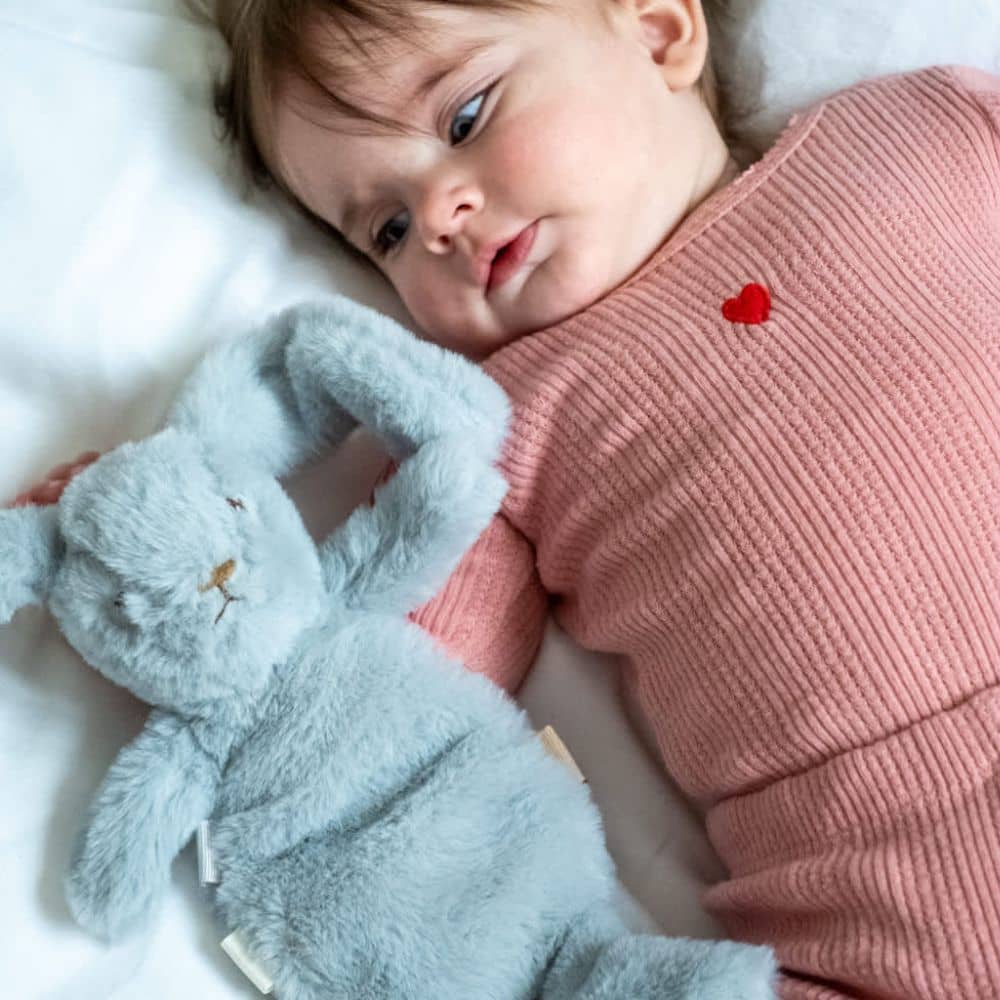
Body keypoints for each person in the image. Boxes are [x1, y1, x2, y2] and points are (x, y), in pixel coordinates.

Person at [13, 0, 1000, 996]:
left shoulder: (919, 134)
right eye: (389, 227)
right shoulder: (491, 423)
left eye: (466, 117)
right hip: (894, 894)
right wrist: (150, 536)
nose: (438, 217)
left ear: (658, 30)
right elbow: (368, 674)